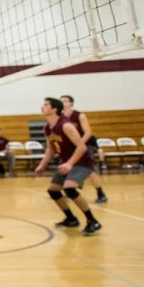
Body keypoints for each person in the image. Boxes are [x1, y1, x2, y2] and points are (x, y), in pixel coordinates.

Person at [35, 97, 102, 235]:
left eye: (46, 105)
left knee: (69, 188)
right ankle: (71, 219)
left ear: (54, 109)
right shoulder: (47, 128)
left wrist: (70, 163)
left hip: (82, 162)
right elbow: (51, 149)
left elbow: (82, 147)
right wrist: (42, 165)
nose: (42, 106)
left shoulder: (66, 126)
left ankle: (93, 221)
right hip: (67, 163)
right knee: (53, 190)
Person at [60, 95, 108, 204]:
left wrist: (79, 144)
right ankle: (70, 190)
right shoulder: (61, 118)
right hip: (70, 147)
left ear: (71, 103)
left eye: (65, 101)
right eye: (61, 101)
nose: (63, 103)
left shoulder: (79, 115)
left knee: (89, 170)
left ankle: (101, 194)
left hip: (85, 144)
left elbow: (88, 132)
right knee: (67, 168)